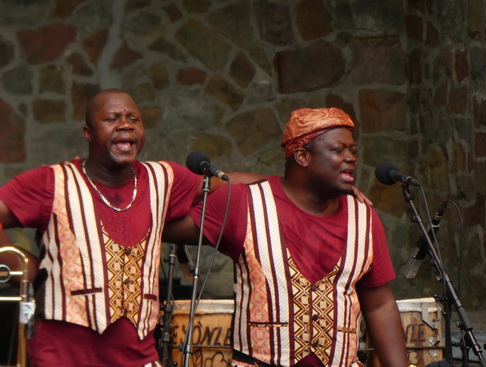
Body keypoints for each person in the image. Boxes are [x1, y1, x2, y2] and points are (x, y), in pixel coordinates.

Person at [0, 90, 371, 366]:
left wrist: (307, 185)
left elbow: (226, 184)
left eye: (134, 118)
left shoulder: (163, 177)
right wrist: (17, 264)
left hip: (137, 357)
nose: (126, 124)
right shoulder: (52, 182)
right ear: (87, 132)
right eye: (112, 118)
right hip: (62, 357)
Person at [164, 108, 408, 367]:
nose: (350, 159)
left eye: (353, 151)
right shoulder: (243, 204)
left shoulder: (364, 217)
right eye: (338, 150)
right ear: (302, 156)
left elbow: (379, 305)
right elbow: (160, 218)